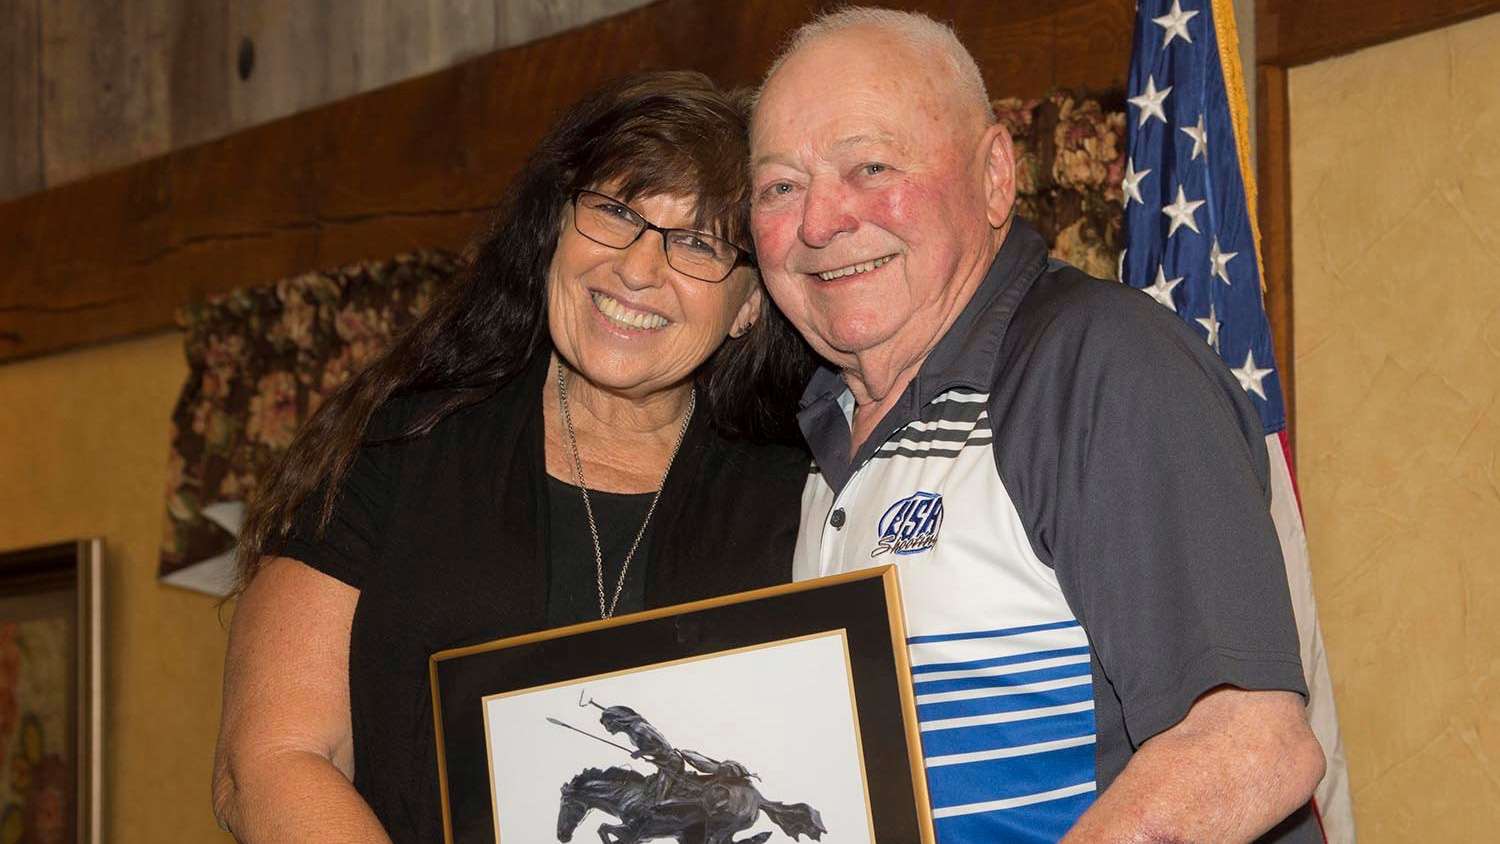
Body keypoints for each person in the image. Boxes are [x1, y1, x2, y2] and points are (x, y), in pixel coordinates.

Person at [748, 8, 1325, 843]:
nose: (818, 222)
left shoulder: (1099, 366)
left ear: (992, 177)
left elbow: (1247, 747)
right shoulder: (819, 441)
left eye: (870, 166)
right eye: (780, 187)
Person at [211, 71, 812, 843]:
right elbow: (269, 760)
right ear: (554, 230)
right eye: (615, 211)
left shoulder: (800, 493)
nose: (636, 268)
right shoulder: (398, 448)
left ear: (752, 304)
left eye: (697, 243)